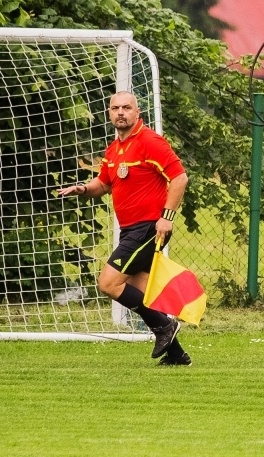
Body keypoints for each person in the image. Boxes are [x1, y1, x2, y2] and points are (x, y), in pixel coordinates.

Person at [59, 91, 192, 366]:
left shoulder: (150, 142)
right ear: (109, 113)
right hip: (130, 229)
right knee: (140, 292)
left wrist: (167, 217)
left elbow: (179, 178)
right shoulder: (114, 149)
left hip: (150, 227)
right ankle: (177, 355)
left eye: (126, 108)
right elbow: (104, 183)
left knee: (108, 283)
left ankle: (165, 326)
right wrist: (83, 188)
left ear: (137, 112)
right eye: (115, 108)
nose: (121, 112)